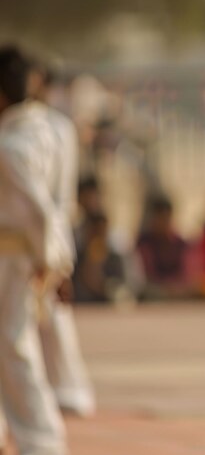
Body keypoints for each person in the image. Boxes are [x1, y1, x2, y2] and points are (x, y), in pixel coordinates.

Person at [0, 45, 68, 454]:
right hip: (20, 253)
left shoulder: (13, 146)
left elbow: (42, 210)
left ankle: (40, 439)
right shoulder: (44, 129)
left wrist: (49, 259)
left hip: (14, 256)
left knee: (15, 344)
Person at [27, 58, 96, 417]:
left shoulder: (47, 128)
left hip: (42, 232)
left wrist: (54, 251)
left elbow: (53, 198)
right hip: (42, 231)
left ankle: (68, 388)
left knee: (50, 313)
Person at [136, 195, 196, 300]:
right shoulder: (144, 243)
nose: (162, 222)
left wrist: (176, 286)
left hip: (178, 289)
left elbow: (187, 273)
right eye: (159, 218)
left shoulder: (179, 243)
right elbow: (146, 274)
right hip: (156, 289)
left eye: (165, 217)